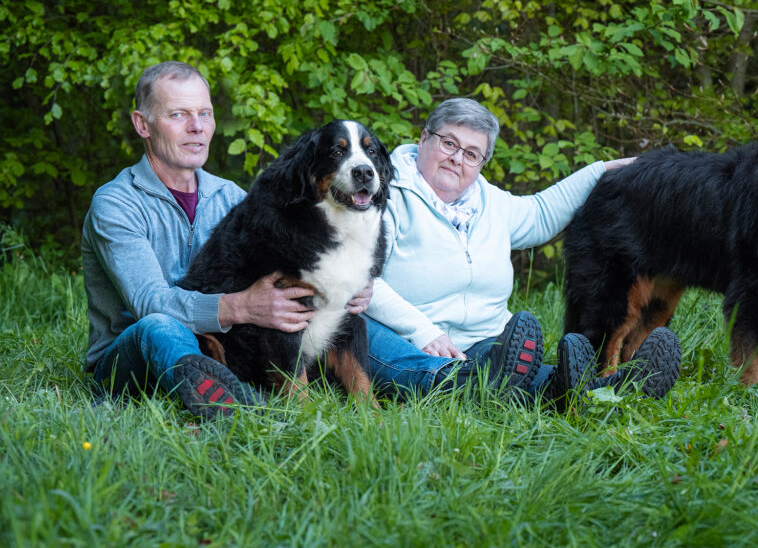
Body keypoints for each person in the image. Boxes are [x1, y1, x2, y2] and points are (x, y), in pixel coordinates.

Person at [81, 61, 369, 419]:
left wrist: (344, 284)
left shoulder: (231, 196)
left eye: (205, 113)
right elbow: (150, 303)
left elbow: (292, 267)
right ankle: (248, 409)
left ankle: (424, 373)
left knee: (342, 315)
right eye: (178, 115)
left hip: (229, 348)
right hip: (133, 357)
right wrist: (240, 307)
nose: (197, 127)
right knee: (159, 327)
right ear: (142, 124)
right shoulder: (116, 203)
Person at [363, 98, 683, 405]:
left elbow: (542, 213)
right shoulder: (379, 195)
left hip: (484, 342)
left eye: (472, 154)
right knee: (365, 334)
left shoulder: (488, 201)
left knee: (527, 373)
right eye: (449, 143)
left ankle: (617, 389)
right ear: (424, 139)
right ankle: (468, 383)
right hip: (406, 339)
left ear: (482, 163)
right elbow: (359, 278)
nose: (457, 158)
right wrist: (423, 332)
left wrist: (612, 171)